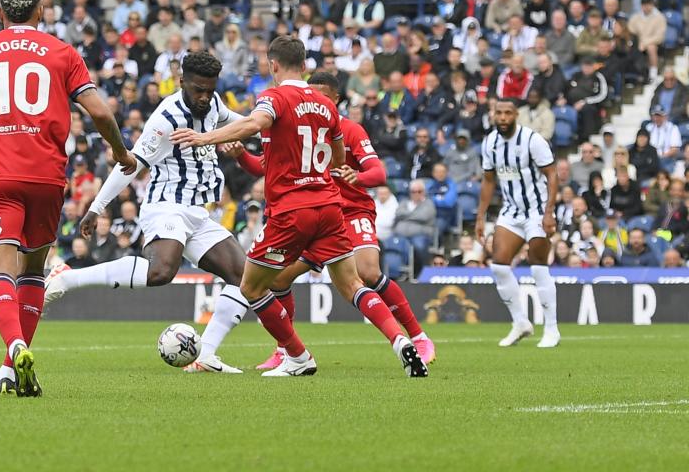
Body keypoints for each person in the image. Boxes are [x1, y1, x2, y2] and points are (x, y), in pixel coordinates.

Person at [170, 36, 428, 378]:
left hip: (292, 210)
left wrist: (204, 137)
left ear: (273, 65)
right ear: (305, 65)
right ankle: (400, 342)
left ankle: (297, 356)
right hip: (329, 206)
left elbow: (254, 124)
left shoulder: (275, 97)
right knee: (352, 285)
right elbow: (337, 157)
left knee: (251, 286)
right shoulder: (327, 106)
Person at [0, 0, 136, 397]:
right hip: (46, 176)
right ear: (41, 11)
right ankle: (9, 367)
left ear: (0, 13)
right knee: (35, 271)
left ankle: (14, 345)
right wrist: (120, 151)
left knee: (0, 268)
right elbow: (99, 111)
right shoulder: (63, 53)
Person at [44, 52, 249, 374]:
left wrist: (268, 123)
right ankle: (68, 277)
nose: (204, 97)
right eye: (198, 90)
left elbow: (236, 121)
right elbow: (131, 164)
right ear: (181, 82)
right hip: (166, 204)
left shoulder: (213, 103)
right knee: (161, 272)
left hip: (198, 211)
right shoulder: (166, 118)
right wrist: (96, 207)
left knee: (245, 279)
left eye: (210, 90)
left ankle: (205, 355)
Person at [229, 72, 435, 369]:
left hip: (350, 212)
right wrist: (239, 156)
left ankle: (418, 337)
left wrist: (358, 176)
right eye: (310, 93)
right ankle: (285, 350)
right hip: (316, 214)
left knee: (367, 272)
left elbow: (379, 174)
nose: (313, 100)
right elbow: (264, 167)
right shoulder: (297, 127)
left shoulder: (350, 130)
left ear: (336, 98)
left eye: (322, 94)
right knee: (280, 279)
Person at [475, 98, 560, 348]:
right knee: (499, 266)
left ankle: (552, 328)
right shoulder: (489, 143)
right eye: (498, 113)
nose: (502, 118)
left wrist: (549, 212)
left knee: (537, 266)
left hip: (537, 209)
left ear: (516, 115)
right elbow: (488, 181)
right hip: (512, 210)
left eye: (507, 113)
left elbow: (552, 174)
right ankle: (520, 322)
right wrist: (480, 216)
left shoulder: (532, 140)